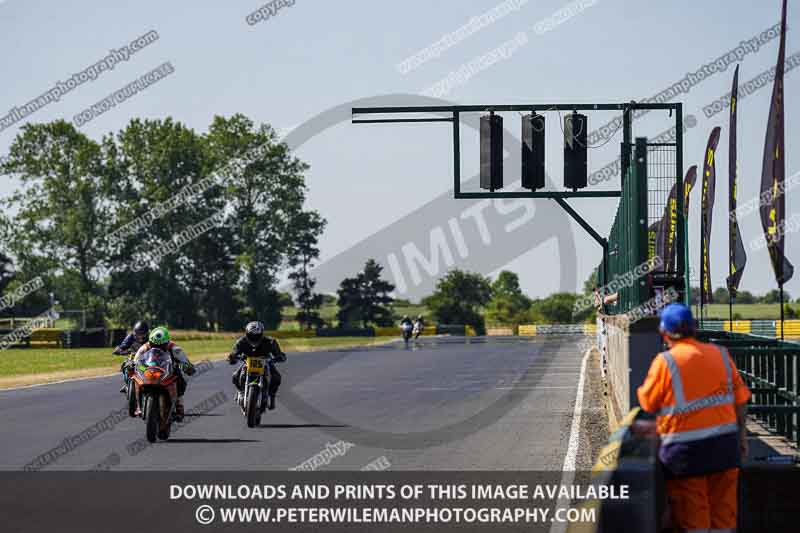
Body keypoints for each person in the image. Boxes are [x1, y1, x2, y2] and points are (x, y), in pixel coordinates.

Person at [637, 303, 751, 532]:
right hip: (725, 450)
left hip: (686, 456)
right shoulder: (721, 355)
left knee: (695, 522)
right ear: (695, 328)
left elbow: (648, 402)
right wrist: (742, 437)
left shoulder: (665, 362)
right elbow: (741, 401)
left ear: (664, 333)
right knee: (723, 521)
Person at [133, 326, 195, 419]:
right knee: (136, 377)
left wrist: (188, 367)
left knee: (181, 377)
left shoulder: (175, 349)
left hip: (168, 371)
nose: (156, 347)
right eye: (154, 344)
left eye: (160, 346)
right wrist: (133, 365)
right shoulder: (145, 347)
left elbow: (185, 361)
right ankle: (138, 405)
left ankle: (179, 404)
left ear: (167, 342)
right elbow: (136, 360)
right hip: (149, 370)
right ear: (150, 342)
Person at [227, 321, 286, 410]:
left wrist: (279, 357)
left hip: (266, 362)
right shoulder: (241, 341)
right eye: (251, 336)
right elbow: (234, 353)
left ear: (262, 334)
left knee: (276, 377)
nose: (254, 338)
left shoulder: (270, 342)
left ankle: (272, 397)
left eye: (257, 336)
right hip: (247, 361)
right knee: (235, 376)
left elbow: (279, 354)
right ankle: (241, 392)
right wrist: (232, 357)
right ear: (247, 334)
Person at [112, 320, 149, 393]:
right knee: (126, 366)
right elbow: (123, 345)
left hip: (147, 360)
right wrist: (119, 350)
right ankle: (127, 384)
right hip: (134, 359)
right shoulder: (131, 337)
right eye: (138, 334)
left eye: (142, 334)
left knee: (148, 369)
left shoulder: (151, 338)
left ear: (146, 333)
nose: (140, 336)